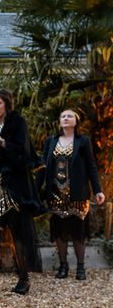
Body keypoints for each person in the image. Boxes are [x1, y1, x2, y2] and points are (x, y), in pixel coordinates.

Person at [0, 88, 43, 295]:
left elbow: (23, 154)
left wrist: (0, 140)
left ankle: (23, 278)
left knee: (18, 232)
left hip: (14, 186)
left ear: (6, 104)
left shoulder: (17, 123)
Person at [37, 109, 106, 280]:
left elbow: (91, 166)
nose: (66, 118)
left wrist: (98, 190)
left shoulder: (83, 141)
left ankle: (81, 268)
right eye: (62, 116)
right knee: (59, 231)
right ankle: (63, 266)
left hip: (77, 193)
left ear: (76, 121)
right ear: (59, 121)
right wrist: (36, 190)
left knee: (78, 230)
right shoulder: (51, 141)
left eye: (69, 116)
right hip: (55, 192)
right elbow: (42, 167)